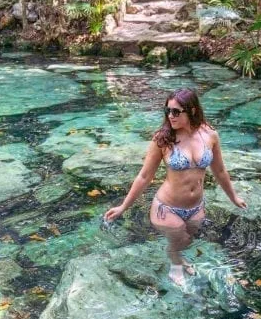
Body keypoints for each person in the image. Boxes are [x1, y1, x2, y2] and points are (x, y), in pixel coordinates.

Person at [104, 88, 246, 286]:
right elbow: (145, 176)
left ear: (193, 111)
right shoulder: (163, 139)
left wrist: (234, 198)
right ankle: (175, 264)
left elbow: (220, 171)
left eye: (176, 111)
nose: (170, 116)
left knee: (188, 240)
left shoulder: (210, 135)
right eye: (168, 111)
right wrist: (123, 207)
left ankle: (179, 257)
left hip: (196, 206)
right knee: (177, 238)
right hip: (167, 208)